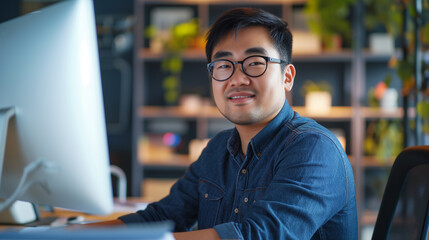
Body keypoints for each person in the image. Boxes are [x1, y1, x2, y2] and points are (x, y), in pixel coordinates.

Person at [79, 7, 357, 239]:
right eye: (224, 65)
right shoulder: (218, 149)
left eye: (255, 62)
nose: (237, 78)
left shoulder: (314, 148)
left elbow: (257, 235)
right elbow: (162, 217)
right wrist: (69, 235)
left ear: (287, 77)